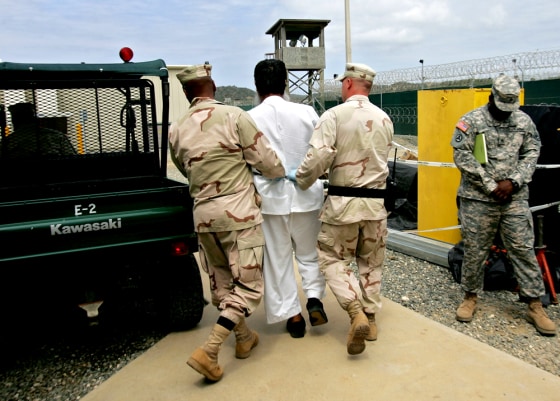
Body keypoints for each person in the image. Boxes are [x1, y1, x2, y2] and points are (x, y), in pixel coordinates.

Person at [169, 63, 286, 382]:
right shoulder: (235, 116)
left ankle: (245, 338)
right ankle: (209, 349)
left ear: (185, 91)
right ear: (214, 86)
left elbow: (185, 169)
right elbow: (268, 163)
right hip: (239, 215)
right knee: (248, 287)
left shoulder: (177, 128)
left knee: (223, 286)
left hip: (204, 217)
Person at [288, 62, 394, 354]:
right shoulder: (384, 119)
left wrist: (300, 179)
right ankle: (371, 319)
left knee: (331, 257)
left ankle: (354, 311)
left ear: (348, 84)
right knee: (371, 262)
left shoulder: (334, 116)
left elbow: (318, 157)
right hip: (376, 205)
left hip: (343, 205)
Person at [451, 74, 557, 336]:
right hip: (478, 198)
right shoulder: (471, 120)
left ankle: (534, 303)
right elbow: (461, 154)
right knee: (475, 249)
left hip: (514, 198)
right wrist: (490, 184)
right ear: (492, 97)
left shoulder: (523, 120)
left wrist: (515, 181)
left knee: (522, 248)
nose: (506, 112)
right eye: (501, 106)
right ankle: (471, 296)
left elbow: (532, 151)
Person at [248, 59, 327, 338]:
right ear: (284, 83)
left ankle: (293, 316)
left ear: (257, 85)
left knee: (278, 259)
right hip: (307, 193)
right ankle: (315, 299)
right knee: (309, 253)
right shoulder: (307, 112)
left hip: (271, 199)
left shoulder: (250, 118)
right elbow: (321, 151)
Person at [3, 102, 75, 158]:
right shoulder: (56, 135)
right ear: (34, 118)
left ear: (14, 120)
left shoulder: (10, 140)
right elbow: (71, 156)